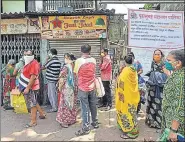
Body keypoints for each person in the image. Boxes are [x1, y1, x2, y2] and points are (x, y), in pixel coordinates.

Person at [74, 44, 99, 136]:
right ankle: (95, 122)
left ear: (81, 51)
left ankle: (86, 127)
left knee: (85, 108)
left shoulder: (78, 61)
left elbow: (76, 73)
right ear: (90, 50)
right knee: (93, 105)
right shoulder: (93, 60)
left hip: (83, 88)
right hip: (92, 86)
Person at [161, 49, 184, 141]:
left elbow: (180, 106)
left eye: (169, 60)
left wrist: (173, 130)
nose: (166, 63)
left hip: (177, 128)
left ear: (178, 63)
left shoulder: (181, 79)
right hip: (170, 122)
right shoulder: (177, 74)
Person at [19, 49, 46, 128]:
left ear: (32, 55)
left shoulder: (34, 63)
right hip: (29, 86)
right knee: (34, 101)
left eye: (28, 55)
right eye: (25, 55)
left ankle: (33, 121)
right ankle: (41, 114)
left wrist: (27, 88)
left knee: (32, 104)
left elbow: (33, 77)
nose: (26, 56)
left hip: (31, 87)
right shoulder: (29, 62)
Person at [115, 55, 140, 139]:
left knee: (125, 112)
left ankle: (131, 133)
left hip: (125, 96)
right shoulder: (134, 70)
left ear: (125, 62)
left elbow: (121, 83)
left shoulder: (125, 71)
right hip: (133, 95)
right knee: (132, 113)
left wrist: (120, 94)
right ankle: (129, 128)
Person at [145, 49, 168, 129]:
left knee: (159, 105)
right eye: (155, 54)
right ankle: (151, 122)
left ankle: (159, 124)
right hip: (152, 87)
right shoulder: (153, 63)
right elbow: (152, 72)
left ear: (161, 55)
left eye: (158, 54)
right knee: (151, 104)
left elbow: (167, 75)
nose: (157, 56)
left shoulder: (164, 64)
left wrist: (158, 76)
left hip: (160, 88)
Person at [56, 53, 77, 128]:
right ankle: (72, 119)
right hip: (74, 88)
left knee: (65, 104)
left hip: (67, 88)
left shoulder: (66, 67)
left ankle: (65, 121)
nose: (65, 59)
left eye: (66, 58)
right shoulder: (75, 66)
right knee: (72, 104)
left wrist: (59, 88)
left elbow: (61, 79)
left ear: (69, 58)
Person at [43, 49, 61, 113]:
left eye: (48, 53)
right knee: (54, 94)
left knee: (51, 94)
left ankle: (54, 108)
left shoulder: (51, 61)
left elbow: (43, 67)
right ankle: (55, 106)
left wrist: (46, 59)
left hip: (51, 80)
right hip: (55, 79)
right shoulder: (58, 61)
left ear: (50, 53)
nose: (48, 54)